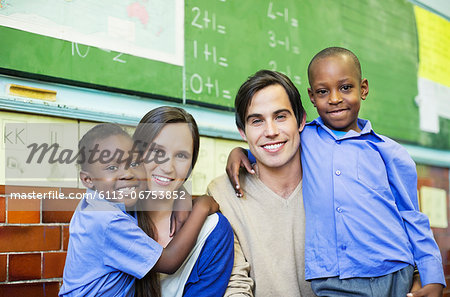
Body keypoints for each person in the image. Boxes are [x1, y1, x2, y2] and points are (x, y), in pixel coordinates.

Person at [227, 47, 445, 297]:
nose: (334, 98)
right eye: (322, 91)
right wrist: (240, 152)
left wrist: (433, 277)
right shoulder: (304, 137)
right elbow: (271, 144)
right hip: (333, 279)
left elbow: (412, 216)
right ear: (311, 96)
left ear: (363, 88)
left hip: (394, 271)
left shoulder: (390, 152)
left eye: (345, 88)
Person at [60, 123, 219, 297]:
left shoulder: (98, 198)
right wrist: (202, 207)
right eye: (112, 167)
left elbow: (160, 185)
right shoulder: (108, 220)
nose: (128, 174)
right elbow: (169, 262)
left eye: (134, 162)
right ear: (87, 179)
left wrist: (181, 196)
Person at [207, 70, 316, 297]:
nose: (271, 132)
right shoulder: (222, 193)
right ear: (242, 132)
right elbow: (234, 284)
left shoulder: (329, 178)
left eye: (281, 117)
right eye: (257, 121)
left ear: (301, 120)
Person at [132, 106, 234, 297]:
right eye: (157, 151)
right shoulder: (115, 216)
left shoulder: (212, 232)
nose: (168, 167)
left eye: (181, 156)